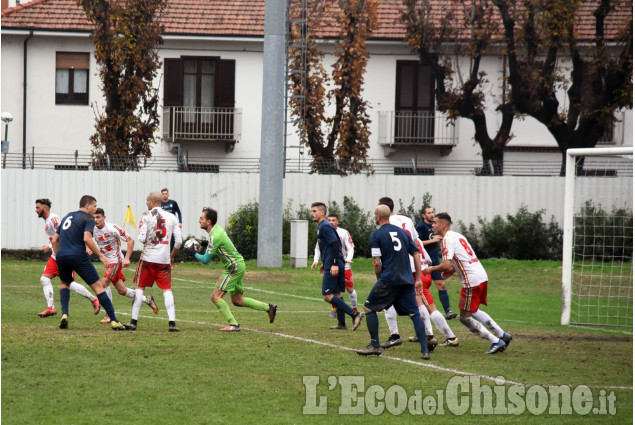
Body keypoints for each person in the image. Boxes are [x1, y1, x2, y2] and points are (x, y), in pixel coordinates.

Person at [423, 212, 513, 354]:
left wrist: (431, 269)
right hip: (481, 275)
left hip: (472, 280)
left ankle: (496, 341)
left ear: (443, 225)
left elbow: (446, 265)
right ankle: (503, 335)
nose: (432, 225)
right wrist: (450, 271)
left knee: (464, 317)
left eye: (434, 223)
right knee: (473, 309)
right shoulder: (458, 235)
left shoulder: (447, 239)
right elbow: (459, 260)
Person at [356, 205, 431, 360]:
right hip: (407, 278)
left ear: (377, 217)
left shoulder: (376, 235)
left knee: (368, 307)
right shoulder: (403, 233)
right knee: (413, 312)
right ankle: (425, 350)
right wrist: (417, 279)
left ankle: (375, 346)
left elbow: (377, 262)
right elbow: (416, 254)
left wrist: (379, 280)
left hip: (389, 278)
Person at [186, 207, 278, 332]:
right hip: (239, 264)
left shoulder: (215, 236)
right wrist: (205, 243)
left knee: (215, 297)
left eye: (201, 218)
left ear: (208, 222)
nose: (199, 220)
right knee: (237, 300)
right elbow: (219, 244)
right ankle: (269, 307)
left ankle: (233, 325)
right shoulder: (217, 230)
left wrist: (193, 253)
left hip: (234, 267)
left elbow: (206, 260)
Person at [50, 195, 126, 330]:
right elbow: (87, 239)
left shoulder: (68, 216)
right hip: (78, 255)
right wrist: (101, 257)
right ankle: (114, 320)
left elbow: (55, 239)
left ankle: (65, 314)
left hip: (61, 255)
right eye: (94, 206)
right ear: (87, 206)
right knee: (98, 287)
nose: (95, 209)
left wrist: (58, 255)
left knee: (64, 284)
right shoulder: (88, 218)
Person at [376, 197, 438, 352]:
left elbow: (385, 249)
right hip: (412, 265)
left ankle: (394, 335)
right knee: (417, 301)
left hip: (395, 267)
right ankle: (429, 333)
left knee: (385, 299)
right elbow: (416, 242)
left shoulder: (385, 225)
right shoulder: (406, 220)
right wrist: (427, 260)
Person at [125, 192, 182, 332]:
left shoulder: (146, 216)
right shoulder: (172, 217)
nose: (146, 203)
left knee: (140, 288)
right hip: (164, 259)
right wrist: (172, 255)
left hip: (148, 259)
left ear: (152, 201)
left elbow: (142, 238)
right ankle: (172, 323)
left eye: (147, 200)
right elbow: (179, 242)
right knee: (166, 290)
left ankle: (133, 321)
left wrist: (142, 228)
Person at [35, 198, 100, 318]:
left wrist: (49, 246)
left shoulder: (53, 219)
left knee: (69, 283)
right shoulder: (48, 220)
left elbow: (64, 234)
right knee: (45, 279)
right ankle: (51, 308)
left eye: (38, 207)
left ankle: (93, 299)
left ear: (45, 208)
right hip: (56, 256)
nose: (36, 210)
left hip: (63, 255)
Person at [92, 208, 159, 324]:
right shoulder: (92, 229)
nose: (95, 220)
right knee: (122, 291)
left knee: (103, 285)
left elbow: (130, 240)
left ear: (104, 217)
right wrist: (88, 248)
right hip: (109, 263)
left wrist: (127, 258)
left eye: (98, 217)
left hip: (116, 261)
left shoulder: (112, 228)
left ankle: (108, 315)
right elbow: (87, 240)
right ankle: (147, 299)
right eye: (93, 217)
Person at [310, 202, 364, 330]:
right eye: (311, 211)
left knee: (327, 296)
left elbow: (335, 245)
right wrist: (326, 262)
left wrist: (333, 264)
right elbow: (330, 247)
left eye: (314, 211)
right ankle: (341, 323)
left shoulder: (324, 226)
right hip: (334, 263)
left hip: (334, 264)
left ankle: (355, 314)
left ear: (322, 213)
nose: (312, 214)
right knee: (337, 294)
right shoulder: (323, 227)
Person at [416, 206, 457, 319]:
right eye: (429, 213)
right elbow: (416, 243)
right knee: (424, 287)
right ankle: (426, 311)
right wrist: (432, 240)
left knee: (441, 284)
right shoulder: (420, 227)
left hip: (434, 259)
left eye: (432, 212)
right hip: (424, 261)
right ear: (423, 215)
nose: (432, 214)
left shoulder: (436, 225)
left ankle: (448, 311)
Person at [161, 188, 182, 269]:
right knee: (164, 244)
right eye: (163, 194)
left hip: (172, 227)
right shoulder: (160, 204)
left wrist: (180, 222)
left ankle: (171, 262)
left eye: (166, 193)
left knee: (173, 244)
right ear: (161, 195)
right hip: (164, 228)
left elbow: (179, 212)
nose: (164, 195)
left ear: (168, 194)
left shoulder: (173, 203)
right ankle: (164, 262)